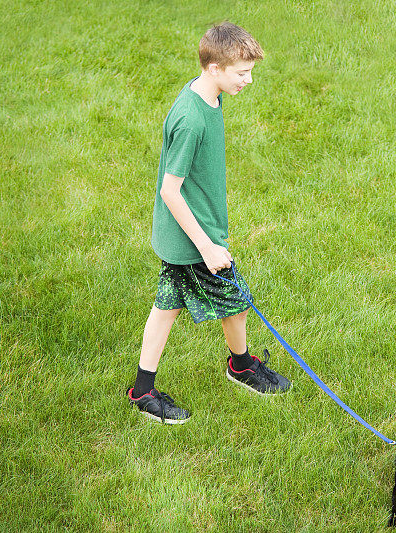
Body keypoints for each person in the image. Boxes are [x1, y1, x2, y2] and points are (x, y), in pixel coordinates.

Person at [127, 22, 291, 425]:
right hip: (192, 238)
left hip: (186, 233)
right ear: (215, 67)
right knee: (236, 300)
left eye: (250, 71)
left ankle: (143, 390)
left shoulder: (206, 94)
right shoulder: (192, 119)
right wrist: (206, 246)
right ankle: (241, 367)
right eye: (242, 72)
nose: (248, 80)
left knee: (167, 307)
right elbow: (170, 190)